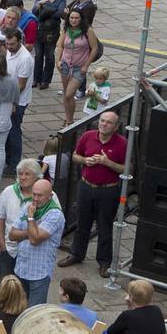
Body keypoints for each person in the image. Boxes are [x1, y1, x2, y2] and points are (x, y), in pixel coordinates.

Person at [58, 110, 128, 278]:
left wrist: (107, 162)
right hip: (86, 186)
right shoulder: (88, 136)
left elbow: (127, 169)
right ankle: (76, 254)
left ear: (116, 127)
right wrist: (85, 160)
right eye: (102, 120)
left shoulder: (123, 143)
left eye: (108, 122)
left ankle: (104, 262)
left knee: (105, 226)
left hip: (108, 190)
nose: (104, 124)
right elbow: (76, 156)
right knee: (82, 222)